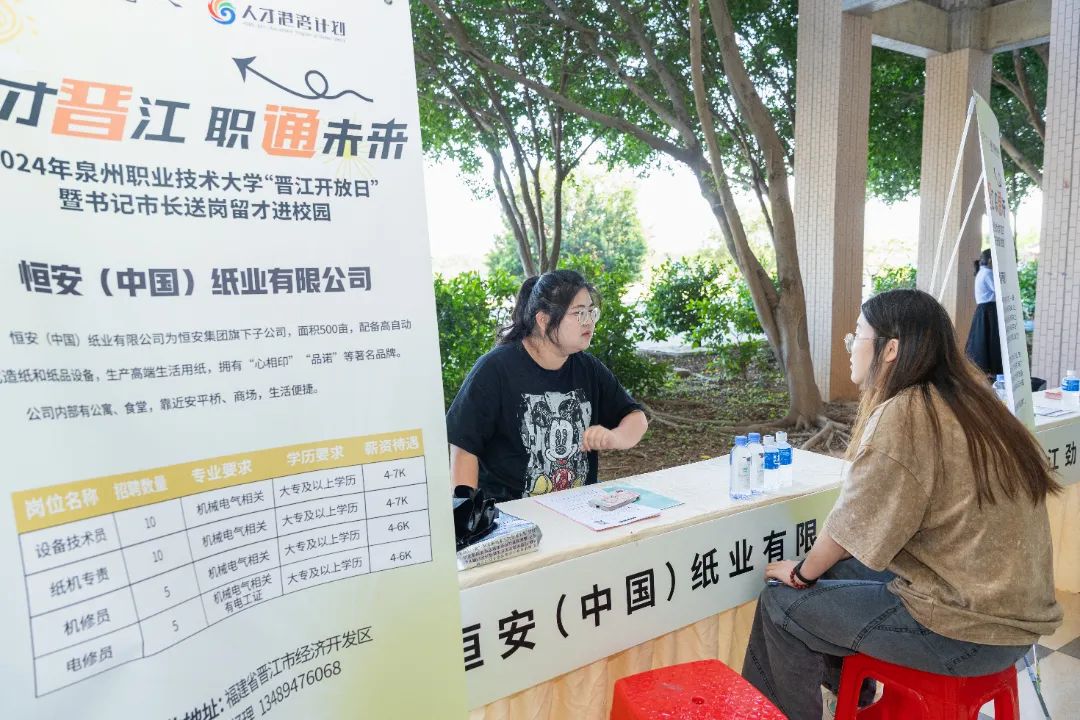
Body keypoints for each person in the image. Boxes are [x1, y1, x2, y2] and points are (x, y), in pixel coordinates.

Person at [742, 288, 1062, 720]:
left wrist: (800, 573)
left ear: (890, 349)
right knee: (834, 575)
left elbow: (851, 525)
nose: (850, 347)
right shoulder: (976, 402)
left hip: (965, 630)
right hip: (1013, 620)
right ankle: (853, 699)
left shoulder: (906, 413)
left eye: (857, 335)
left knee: (780, 604)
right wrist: (817, 570)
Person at [446, 270, 648, 503]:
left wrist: (615, 437)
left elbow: (636, 418)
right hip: (510, 514)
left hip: (579, 509)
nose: (589, 321)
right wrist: (468, 512)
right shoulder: (495, 369)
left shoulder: (588, 368)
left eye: (591, 312)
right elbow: (463, 448)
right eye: (578, 313)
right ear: (543, 320)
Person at [965, 248, 1002, 377]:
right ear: (991, 260)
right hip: (989, 310)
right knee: (990, 340)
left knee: (984, 340)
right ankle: (991, 372)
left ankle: (987, 371)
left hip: (984, 310)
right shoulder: (987, 273)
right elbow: (999, 290)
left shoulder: (982, 272)